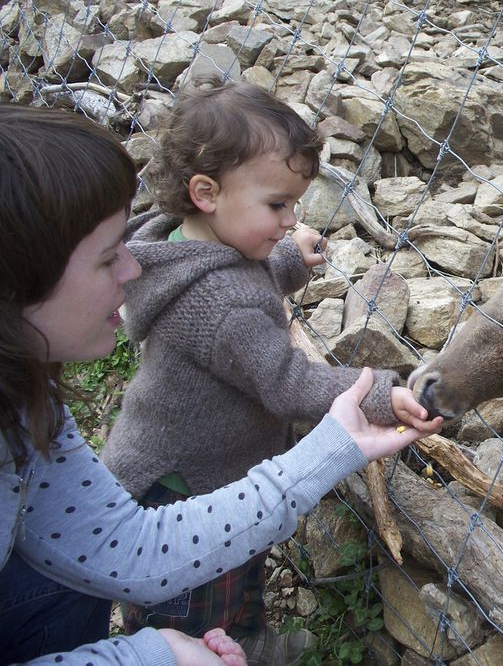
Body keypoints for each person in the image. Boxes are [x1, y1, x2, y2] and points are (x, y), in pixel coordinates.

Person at [0, 101, 442, 666]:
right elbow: (282, 377)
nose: (131, 269)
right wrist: (379, 391)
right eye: (108, 259)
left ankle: (243, 638)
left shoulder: (189, 243)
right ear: (207, 193)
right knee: (196, 598)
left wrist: (285, 261)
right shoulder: (220, 308)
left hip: (190, 465)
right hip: (190, 480)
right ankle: (214, 642)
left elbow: (231, 278)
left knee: (234, 565)